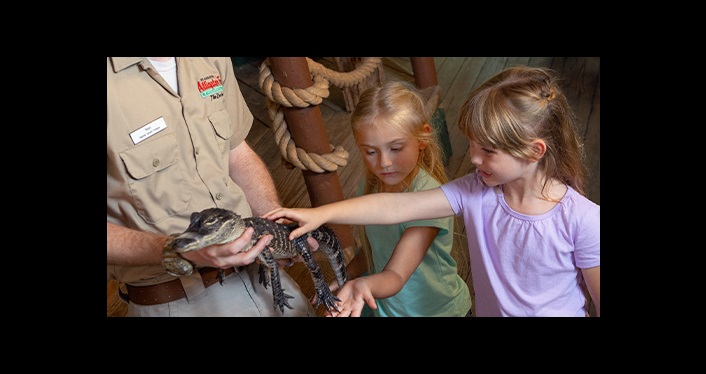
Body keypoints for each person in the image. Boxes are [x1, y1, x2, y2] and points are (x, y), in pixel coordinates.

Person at [264, 66, 600, 317]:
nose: (472, 157)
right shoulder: (475, 190)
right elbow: (392, 208)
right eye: (472, 145)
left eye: (487, 150)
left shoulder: (584, 220)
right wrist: (320, 213)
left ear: (534, 151)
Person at [107, 57, 317, 317]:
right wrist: (178, 249)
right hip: (177, 298)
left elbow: (236, 152)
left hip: (264, 276)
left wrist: (275, 223)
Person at [315, 81, 472, 317]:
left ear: (422, 139)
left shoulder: (428, 197)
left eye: (395, 148)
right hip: (390, 308)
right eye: (370, 152)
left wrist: (362, 285)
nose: (384, 163)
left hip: (437, 312)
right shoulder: (369, 187)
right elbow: (375, 251)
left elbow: (397, 275)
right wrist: (345, 277)